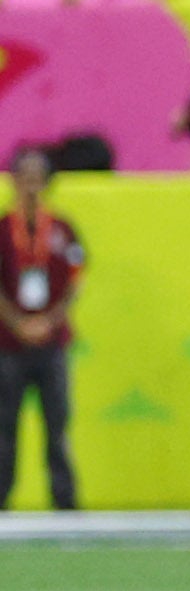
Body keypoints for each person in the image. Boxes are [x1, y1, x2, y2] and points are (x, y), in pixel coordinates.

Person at [0, 147, 82, 510]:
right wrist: (16, 322)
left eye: (38, 178)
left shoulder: (62, 230)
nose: (31, 186)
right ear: (14, 181)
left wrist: (51, 320)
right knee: (3, 427)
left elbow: (75, 281)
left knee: (57, 426)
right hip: (9, 344)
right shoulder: (3, 230)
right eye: (25, 178)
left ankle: (64, 500)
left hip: (51, 344)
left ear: (47, 183)